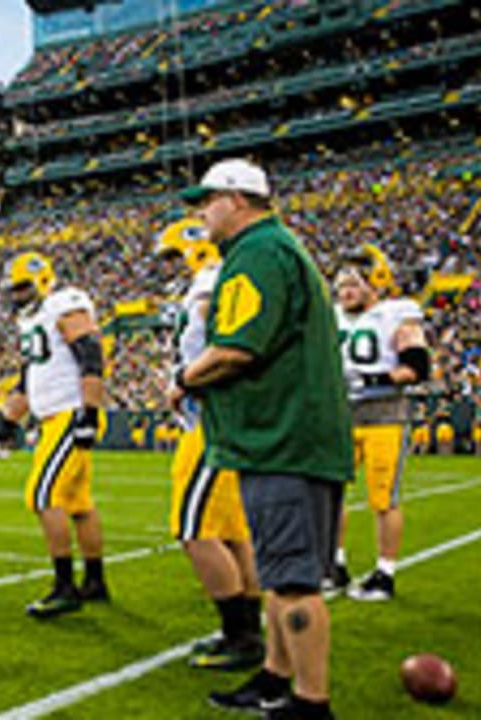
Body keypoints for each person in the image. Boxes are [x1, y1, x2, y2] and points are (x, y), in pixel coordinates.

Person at [172, 158, 352, 720]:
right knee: (281, 575)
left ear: (239, 199)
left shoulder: (257, 254)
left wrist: (183, 379)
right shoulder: (277, 248)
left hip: (282, 437)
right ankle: (277, 678)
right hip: (295, 434)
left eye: (209, 200)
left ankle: (311, 702)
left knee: (295, 583)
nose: (202, 213)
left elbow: (238, 348)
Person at [155, 218, 263, 670]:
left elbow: (224, 343)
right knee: (232, 530)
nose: (169, 266)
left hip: (215, 419)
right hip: (226, 418)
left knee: (194, 529)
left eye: (173, 255)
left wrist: (186, 379)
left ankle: (241, 636)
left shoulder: (213, 281)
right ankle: (249, 631)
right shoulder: (217, 279)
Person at [0, 251, 110, 618]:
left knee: (43, 495)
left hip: (70, 413)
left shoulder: (64, 302)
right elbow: (27, 376)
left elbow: (90, 354)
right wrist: (9, 420)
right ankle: (94, 580)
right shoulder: (31, 321)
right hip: (52, 417)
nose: (16, 295)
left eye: (21, 287)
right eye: (12, 289)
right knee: (78, 504)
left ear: (42, 279)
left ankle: (65, 588)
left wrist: (90, 412)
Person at [331, 245, 431, 601]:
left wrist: (375, 380)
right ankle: (335, 565)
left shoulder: (395, 314)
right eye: (340, 285)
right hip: (342, 415)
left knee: (383, 499)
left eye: (353, 284)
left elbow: (418, 366)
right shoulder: (333, 317)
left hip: (385, 414)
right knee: (332, 492)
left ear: (373, 285)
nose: (345, 292)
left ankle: (384, 574)